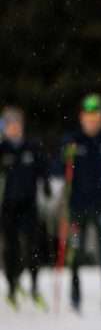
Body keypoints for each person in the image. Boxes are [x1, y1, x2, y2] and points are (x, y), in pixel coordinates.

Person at [57, 94, 101, 314]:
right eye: (89, 116)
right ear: (81, 117)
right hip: (77, 206)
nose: (92, 120)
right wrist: (64, 157)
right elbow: (57, 169)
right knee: (76, 251)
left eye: (96, 116)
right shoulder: (72, 140)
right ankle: (75, 294)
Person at [1, 107, 51, 308]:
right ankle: (12, 287)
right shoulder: (3, 149)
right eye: (10, 124)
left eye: (17, 124)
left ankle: (34, 286)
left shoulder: (32, 147)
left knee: (32, 248)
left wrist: (46, 184)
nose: (14, 128)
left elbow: (44, 169)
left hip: (29, 205)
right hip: (7, 207)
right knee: (10, 249)